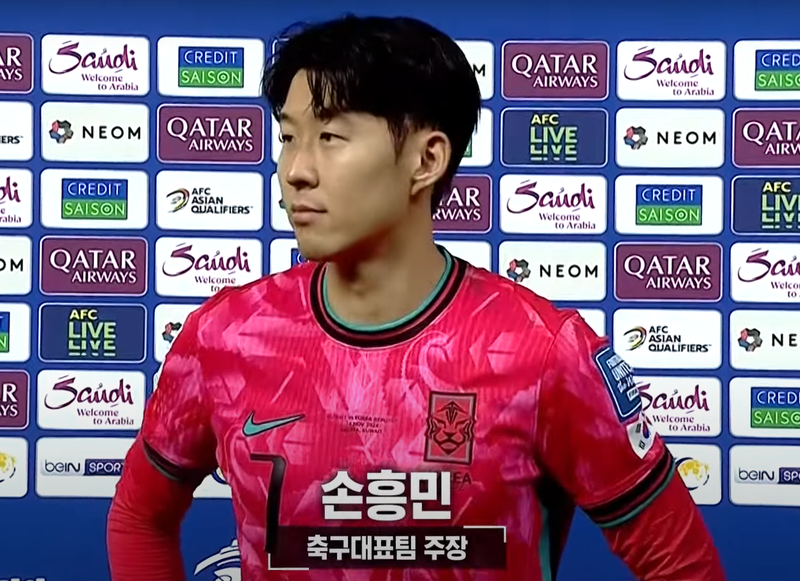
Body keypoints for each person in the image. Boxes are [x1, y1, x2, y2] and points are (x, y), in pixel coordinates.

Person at [107, 14, 726, 581]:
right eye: (289, 137)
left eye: (330, 136)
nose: (296, 170)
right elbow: (139, 517)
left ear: (426, 160)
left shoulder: (543, 354)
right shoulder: (225, 335)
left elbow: (682, 566)